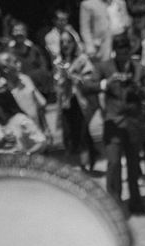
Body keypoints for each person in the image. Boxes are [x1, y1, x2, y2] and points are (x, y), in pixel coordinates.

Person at [82, 33, 145, 215]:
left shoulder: (139, 68)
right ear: (114, 51)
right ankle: (113, 204)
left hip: (134, 124)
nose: (123, 56)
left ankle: (136, 203)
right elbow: (87, 87)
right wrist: (106, 83)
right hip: (113, 123)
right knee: (114, 163)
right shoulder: (104, 67)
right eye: (119, 52)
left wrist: (136, 86)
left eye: (126, 52)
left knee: (133, 165)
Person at [54, 30, 99, 170]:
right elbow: (55, 83)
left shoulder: (82, 59)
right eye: (62, 42)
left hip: (80, 100)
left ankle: (86, 163)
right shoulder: (58, 62)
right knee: (68, 133)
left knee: (82, 133)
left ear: (74, 43)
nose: (65, 44)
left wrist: (74, 77)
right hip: (66, 101)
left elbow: (90, 78)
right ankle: (74, 164)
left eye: (68, 41)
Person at [0, 86, 47, 154]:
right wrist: (2, 142)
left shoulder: (21, 119)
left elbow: (42, 142)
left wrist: (27, 153)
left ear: (2, 103)